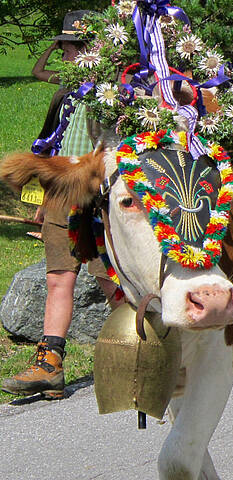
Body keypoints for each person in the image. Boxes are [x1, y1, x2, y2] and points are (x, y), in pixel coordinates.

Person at [2, 10, 122, 400]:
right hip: (59, 193)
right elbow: (52, 145)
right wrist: (44, 198)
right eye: (70, 46)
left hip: (96, 193)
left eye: (75, 46)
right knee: (58, 278)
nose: (70, 54)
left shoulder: (113, 92)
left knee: (110, 278)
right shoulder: (64, 93)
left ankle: (138, 353)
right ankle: (50, 365)